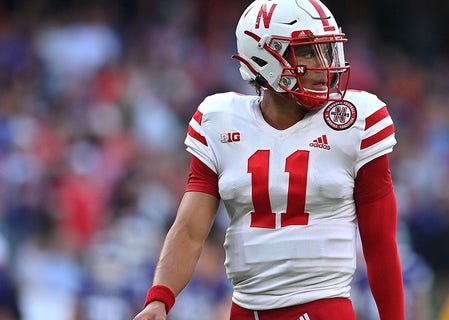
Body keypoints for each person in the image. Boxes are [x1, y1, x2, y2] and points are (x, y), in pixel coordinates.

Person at [132, 0, 405, 319]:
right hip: (244, 310)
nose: (323, 64)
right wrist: (159, 299)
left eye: (326, 50)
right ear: (263, 57)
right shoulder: (221, 121)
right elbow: (191, 229)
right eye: (306, 51)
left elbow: (380, 243)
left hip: (321, 306)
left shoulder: (354, 121)